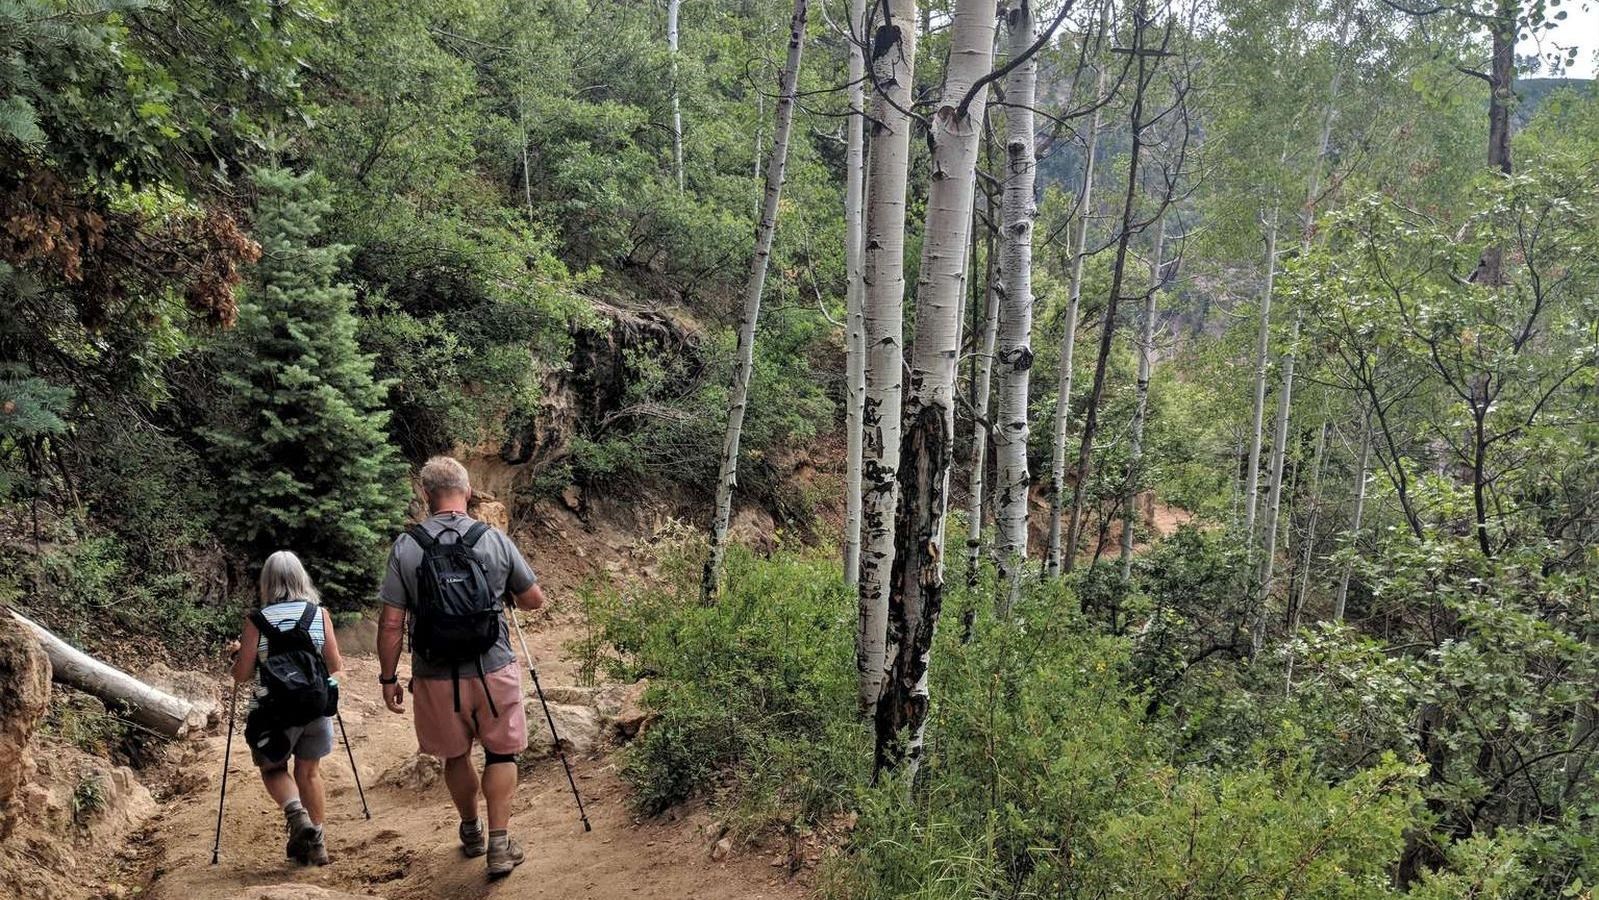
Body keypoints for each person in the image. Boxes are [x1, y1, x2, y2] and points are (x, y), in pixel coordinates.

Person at [377, 456, 546, 879]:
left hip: (435, 674)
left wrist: (387, 677)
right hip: (493, 668)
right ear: (468, 492)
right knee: (501, 753)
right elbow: (533, 600)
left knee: (455, 755)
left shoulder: (407, 547)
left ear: (425, 495)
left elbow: (391, 622)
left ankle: (471, 831)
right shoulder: (492, 539)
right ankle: (500, 844)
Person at [227, 550, 344, 867]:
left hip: (274, 714)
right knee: (309, 772)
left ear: (267, 582)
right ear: (300, 578)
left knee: (274, 769)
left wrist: (236, 654)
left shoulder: (257, 621)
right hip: (315, 708)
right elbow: (335, 665)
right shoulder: (319, 615)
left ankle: (296, 814)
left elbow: (242, 674)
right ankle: (317, 843)